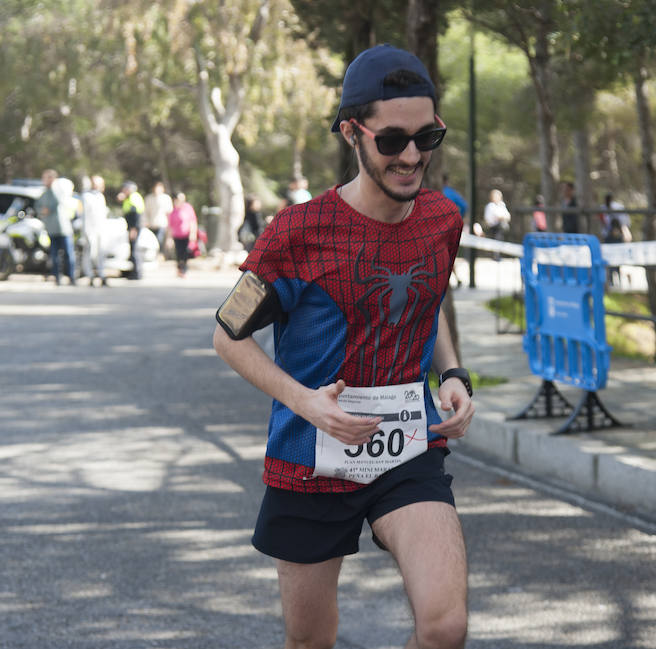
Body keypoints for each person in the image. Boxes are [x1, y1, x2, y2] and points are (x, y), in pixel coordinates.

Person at [213, 44, 474, 649]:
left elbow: (427, 299)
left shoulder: (441, 219)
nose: (411, 156)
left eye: (427, 138)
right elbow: (226, 336)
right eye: (392, 140)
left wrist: (453, 373)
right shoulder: (298, 232)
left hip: (406, 448)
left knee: (445, 627)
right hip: (309, 457)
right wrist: (307, 403)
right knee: (312, 643)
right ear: (353, 132)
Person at [42, 176, 77, 285]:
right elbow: (41, 207)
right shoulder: (46, 194)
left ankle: (71, 277)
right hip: (52, 229)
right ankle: (57, 277)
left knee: (68, 254)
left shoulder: (62, 196)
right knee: (54, 255)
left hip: (65, 230)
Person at [81, 175, 109, 287]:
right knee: (90, 253)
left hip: (100, 229)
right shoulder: (86, 196)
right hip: (90, 229)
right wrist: (86, 231)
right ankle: (90, 275)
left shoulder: (101, 196)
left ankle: (101, 274)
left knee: (101, 252)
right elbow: (85, 216)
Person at [117, 181, 145, 280]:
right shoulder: (130, 198)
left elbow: (135, 216)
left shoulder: (133, 197)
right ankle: (132, 271)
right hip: (132, 227)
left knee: (134, 250)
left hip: (134, 227)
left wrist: (133, 229)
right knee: (132, 249)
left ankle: (137, 273)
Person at [168, 192, 197, 277]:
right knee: (178, 253)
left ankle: (184, 269)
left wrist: (193, 234)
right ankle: (179, 269)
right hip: (177, 236)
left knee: (185, 253)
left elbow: (192, 221)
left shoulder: (188, 208)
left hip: (186, 235)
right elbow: (170, 225)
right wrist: (169, 238)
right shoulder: (173, 211)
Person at [144, 181, 172, 258]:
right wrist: (146, 222)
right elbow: (146, 212)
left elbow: (169, 213)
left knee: (159, 241)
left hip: (162, 224)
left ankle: (159, 255)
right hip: (151, 224)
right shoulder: (149, 198)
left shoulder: (166, 198)